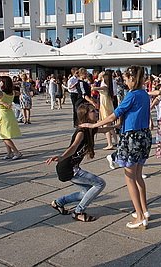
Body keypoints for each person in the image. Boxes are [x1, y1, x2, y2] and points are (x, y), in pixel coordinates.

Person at [80, 66, 152, 229]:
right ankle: (144, 210)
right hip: (144, 136)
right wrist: (104, 127)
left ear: (132, 79)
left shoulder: (131, 95)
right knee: (138, 176)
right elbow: (127, 119)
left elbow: (114, 115)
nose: (125, 82)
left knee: (130, 177)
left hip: (131, 138)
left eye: (126, 79)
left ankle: (140, 216)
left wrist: (94, 125)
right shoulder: (144, 94)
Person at [46, 104, 109, 222]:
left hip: (71, 167)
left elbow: (104, 129)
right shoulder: (81, 132)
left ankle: (58, 203)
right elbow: (74, 147)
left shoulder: (90, 128)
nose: (96, 112)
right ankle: (78, 211)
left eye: (95, 110)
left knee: (85, 192)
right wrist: (61, 156)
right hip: (68, 168)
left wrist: (118, 125)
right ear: (85, 115)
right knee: (100, 183)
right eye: (92, 111)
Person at [0, 76, 22, 160]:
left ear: (4, 83)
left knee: (4, 136)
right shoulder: (12, 92)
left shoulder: (1, 94)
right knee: (6, 135)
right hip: (9, 115)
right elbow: (18, 93)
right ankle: (9, 153)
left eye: (1, 81)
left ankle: (16, 152)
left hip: (4, 115)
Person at [91, 70, 117, 150]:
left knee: (106, 124)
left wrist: (95, 88)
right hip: (106, 103)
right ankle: (116, 141)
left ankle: (110, 143)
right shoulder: (108, 81)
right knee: (109, 124)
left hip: (105, 104)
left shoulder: (106, 83)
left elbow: (103, 88)